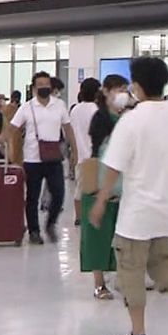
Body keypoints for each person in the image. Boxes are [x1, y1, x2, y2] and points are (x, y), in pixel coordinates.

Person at [90, 57, 168, 335]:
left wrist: (100, 201)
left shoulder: (132, 120)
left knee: (131, 271)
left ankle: (137, 334)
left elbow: (113, 165)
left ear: (136, 86)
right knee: (161, 261)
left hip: (137, 213)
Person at [3, 72, 80, 245]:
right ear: (34, 87)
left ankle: (50, 223)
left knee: (59, 194)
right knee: (32, 197)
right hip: (32, 159)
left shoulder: (59, 105)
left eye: (47, 84)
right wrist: (1, 139)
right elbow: (13, 127)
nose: (44, 87)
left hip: (53, 158)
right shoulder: (27, 107)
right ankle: (34, 231)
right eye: (40, 84)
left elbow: (68, 129)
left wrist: (74, 150)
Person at [80, 75, 130, 300]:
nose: (123, 94)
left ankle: (124, 278)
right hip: (100, 180)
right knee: (98, 237)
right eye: (118, 89)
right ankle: (99, 283)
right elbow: (97, 150)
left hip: (125, 184)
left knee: (125, 236)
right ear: (107, 91)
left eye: (125, 89)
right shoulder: (99, 118)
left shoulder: (129, 117)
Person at [70, 78, 102, 226]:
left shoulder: (75, 109)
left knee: (79, 188)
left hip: (79, 154)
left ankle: (78, 217)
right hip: (94, 155)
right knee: (96, 189)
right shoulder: (97, 110)